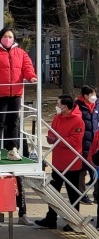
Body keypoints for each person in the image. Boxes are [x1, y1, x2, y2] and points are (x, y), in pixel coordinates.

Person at [0, 27, 38, 162]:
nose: (7, 39)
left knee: (13, 122)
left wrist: (32, 77)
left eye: (10, 37)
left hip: (16, 93)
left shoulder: (21, 53)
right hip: (0, 94)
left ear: (14, 39)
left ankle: (12, 149)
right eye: (5, 36)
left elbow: (27, 68)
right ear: (0, 37)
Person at [35, 95, 84, 231]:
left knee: (73, 194)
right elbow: (52, 130)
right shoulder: (57, 118)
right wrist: (51, 138)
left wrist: (57, 140)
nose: (57, 106)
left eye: (58, 104)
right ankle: (51, 219)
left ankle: (74, 222)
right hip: (57, 162)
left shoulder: (78, 121)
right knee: (52, 192)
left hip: (72, 163)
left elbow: (74, 141)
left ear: (66, 107)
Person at [74, 86, 97, 204]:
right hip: (82, 143)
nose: (94, 97)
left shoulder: (96, 106)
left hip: (95, 142)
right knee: (82, 170)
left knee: (96, 169)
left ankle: (96, 194)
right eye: (92, 94)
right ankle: (81, 194)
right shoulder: (78, 106)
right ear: (85, 96)